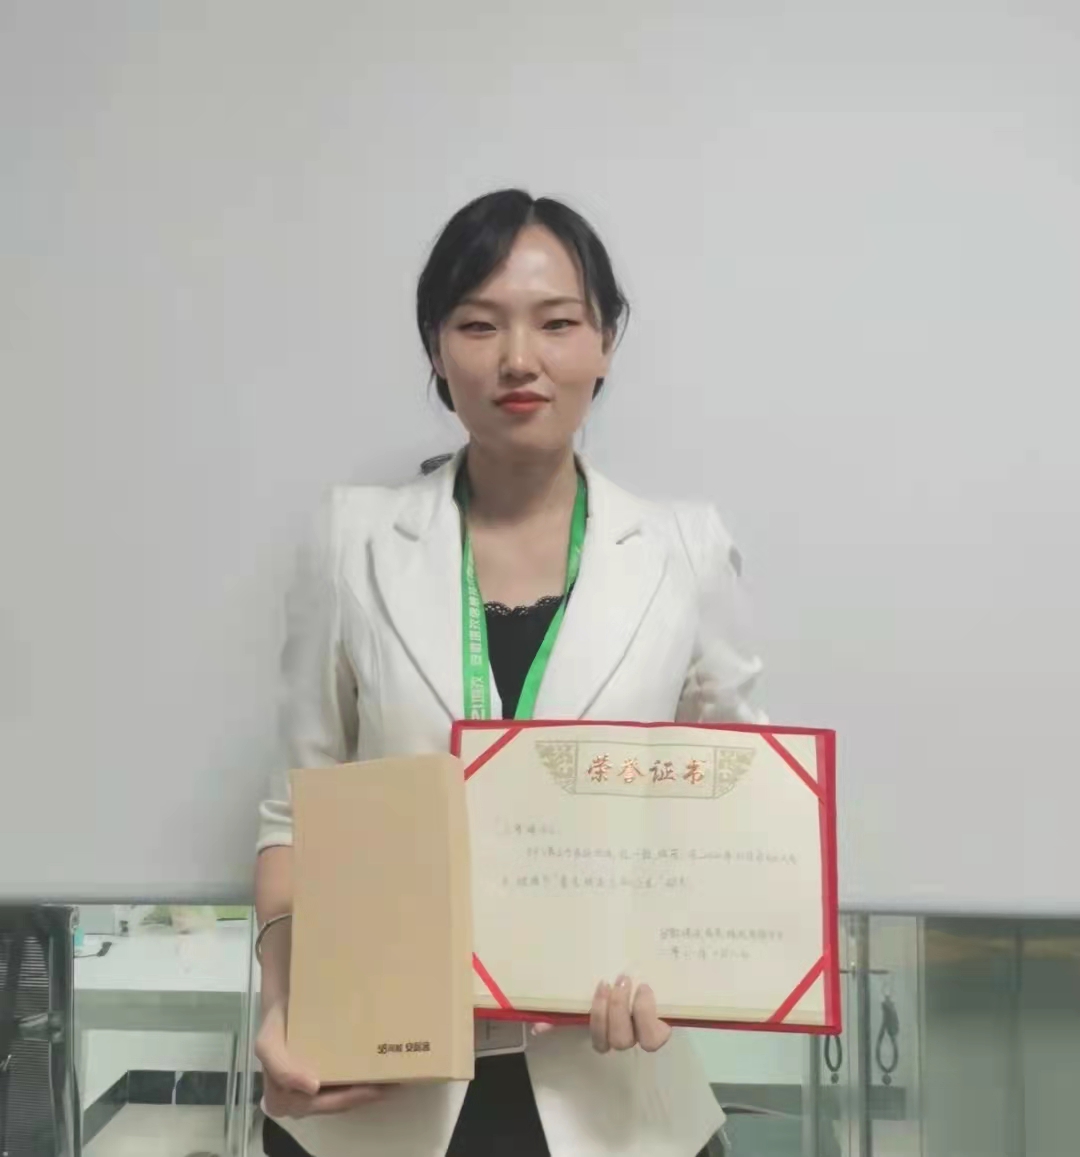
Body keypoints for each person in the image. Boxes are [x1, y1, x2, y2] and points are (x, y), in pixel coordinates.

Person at [254, 189, 764, 1157]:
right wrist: (283, 1000)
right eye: (479, 324)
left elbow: (740, 812)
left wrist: (685, 967)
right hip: (380, 1087)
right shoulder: (349, 539)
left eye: (557, 322)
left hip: (615, 1096)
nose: (518, 358)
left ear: (605, 342)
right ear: (436, 348)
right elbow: (294, 816)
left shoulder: (685, 550)